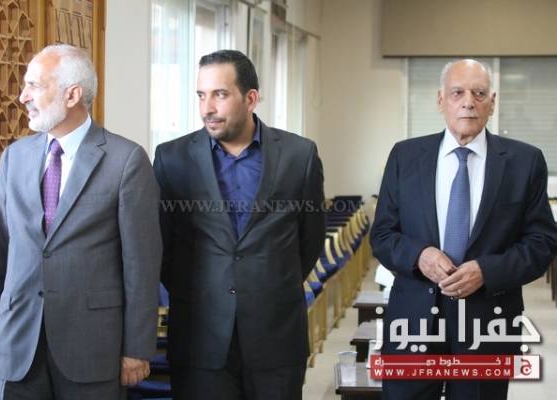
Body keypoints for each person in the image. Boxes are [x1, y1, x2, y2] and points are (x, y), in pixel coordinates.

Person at [0, 44, 162, 400]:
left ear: (72, 95)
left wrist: (137, 348)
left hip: (92, 349)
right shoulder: (15, 157)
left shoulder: (126, 160)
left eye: (34, 85)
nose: (23, 96)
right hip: (17, 344)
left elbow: (141, 264)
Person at [370, 59, 557, 400]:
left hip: (488, 323)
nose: (468, 102)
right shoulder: (405, 156)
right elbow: (382, 235)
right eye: (458, 93)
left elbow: (542, 243)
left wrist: (487, 270)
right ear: (441, 100)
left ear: (492, 102)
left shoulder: (525, 161)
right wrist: (419, 255)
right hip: (411, 321)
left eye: (479, 93)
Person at [153, 50, 325, 400]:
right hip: (199, 339)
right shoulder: (171, 158)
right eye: (201, 95)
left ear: (250, 99)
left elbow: (309, 242)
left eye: (220, 94)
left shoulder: (299, 155)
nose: (207, 108)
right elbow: (162, 246)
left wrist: (267, 284)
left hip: (276, 338)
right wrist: (200, 290)